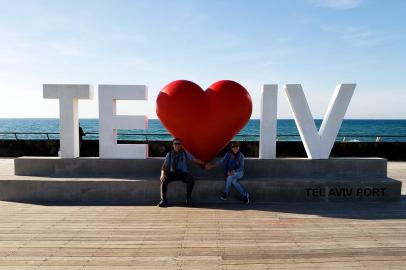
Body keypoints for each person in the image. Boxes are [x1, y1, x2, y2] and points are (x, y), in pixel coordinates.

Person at [158, 138, 204, 207]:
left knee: (191, 180)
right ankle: (164, 200)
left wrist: (204, 163)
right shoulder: (169, 154)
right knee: (164, 180)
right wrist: (162, 175)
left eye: (179, 144)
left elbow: (194, 159)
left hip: (183, 174)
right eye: (175, 144)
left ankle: (188, 200)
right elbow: (164, 166)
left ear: (181, 145)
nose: (177, 145)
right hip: (173, 173)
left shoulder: (185, 153)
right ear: (173, 145)